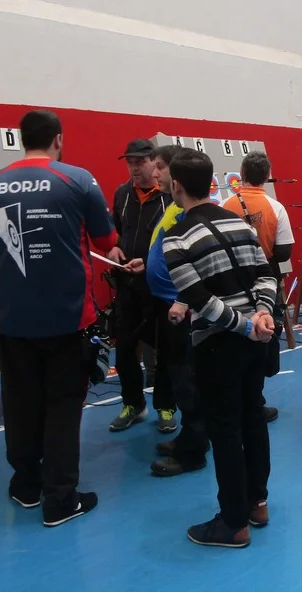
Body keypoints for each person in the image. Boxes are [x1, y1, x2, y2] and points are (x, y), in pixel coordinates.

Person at [0, 110, 116, 527]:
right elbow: (107, 238)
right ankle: (61, 499)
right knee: (64, 406)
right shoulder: (78, 179)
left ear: (21, 139)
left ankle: (26, 486)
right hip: (69, 318)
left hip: (13, 319)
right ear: (58, 139)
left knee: (20, 404)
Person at [162, 149, 277, 549]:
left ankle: (233, 522)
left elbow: (201, 299)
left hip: (220, 345)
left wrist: (245, 326)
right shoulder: (238, 222)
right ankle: (257, 503)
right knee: (252, 418)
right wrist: (262, 314)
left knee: (225, 431)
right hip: (254, 340)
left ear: (177, 185)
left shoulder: (176, 237)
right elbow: (266, 275)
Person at [140, 144, 209, 476]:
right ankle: (190, 437)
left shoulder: (187, 213)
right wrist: (147, 263)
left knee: (188, 380)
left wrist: (183, 300)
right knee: (180, 378)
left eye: (160, 167)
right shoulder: (174, 207)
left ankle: (193, 451)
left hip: (183, 309)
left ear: (176, 174)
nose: (154, 173)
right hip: (171, 306)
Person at [221, 150, 295, 422]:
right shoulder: (275, 207)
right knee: (262, 337)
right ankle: (255, 402)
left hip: (231, 280)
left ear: (241, 174)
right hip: (264, 281)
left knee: (234, 337)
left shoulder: (225, 204)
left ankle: (233, 401)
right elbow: (284, 253)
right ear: (267, 176)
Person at [106, 139, 172, 433]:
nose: (133, 167)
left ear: (153, 162)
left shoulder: (169, 196)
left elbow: (176, 240)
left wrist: (149, 262)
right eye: (129, 162)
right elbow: (116, 231)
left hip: (159, 286)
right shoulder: (122, 194)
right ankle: (133, 404)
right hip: (127, 286)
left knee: (165, 350)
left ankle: (166, 405)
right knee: (124, 350)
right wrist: (113, 247)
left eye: (139, 162)